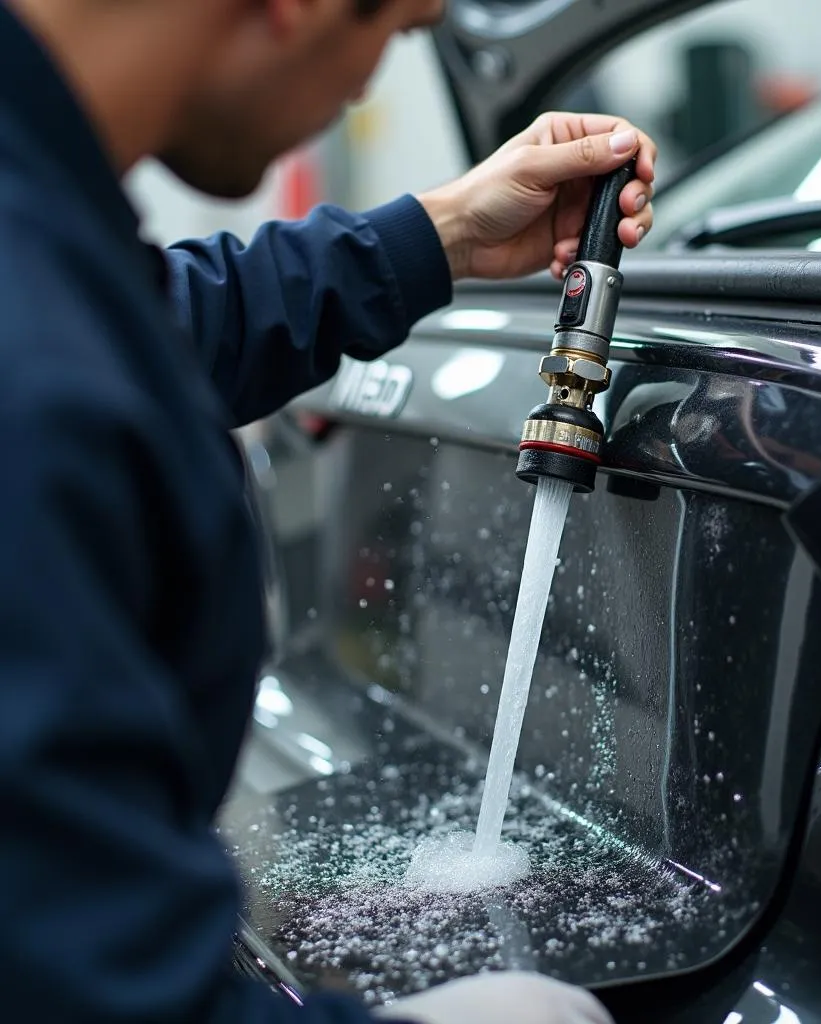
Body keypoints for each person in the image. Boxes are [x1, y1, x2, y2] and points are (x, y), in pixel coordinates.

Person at [0, 1, 656, 1022]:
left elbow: (146, 322)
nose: (361, 89)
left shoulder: (40, 226)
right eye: (397, 31)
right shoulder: (32, 376)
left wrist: (440, 233)